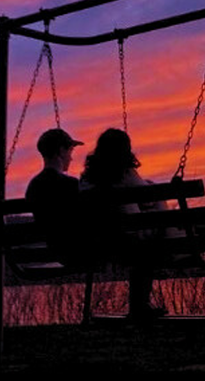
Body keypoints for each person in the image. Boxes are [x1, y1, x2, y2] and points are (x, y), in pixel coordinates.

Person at [80, 128, 166, 321]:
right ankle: (139, 306)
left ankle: (139, 308)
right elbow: (148, 200)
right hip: (131, 240)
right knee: (155, 195)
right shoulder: (125, 173)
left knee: (141, 245)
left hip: (100, 243)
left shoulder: (87, 179)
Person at [25, 128, 91, 265]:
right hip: (78, 252)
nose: (71, 158)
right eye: (70, 151)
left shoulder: (34, 186)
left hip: (53, 252)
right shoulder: (71, 185)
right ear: (61, 151)